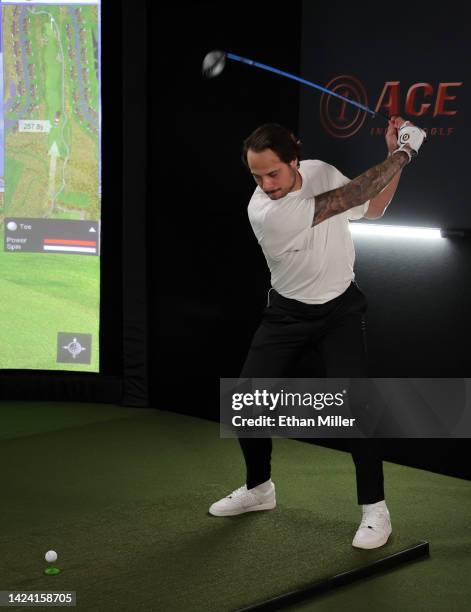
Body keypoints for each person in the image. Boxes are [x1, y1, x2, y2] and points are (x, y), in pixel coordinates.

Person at [209, 118, 425, 549]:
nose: (266, 184)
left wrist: (393, 159)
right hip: (288, 313)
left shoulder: (321, 170)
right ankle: (259, 489)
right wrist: (404, 153)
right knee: (245, 402)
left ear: (295, 159)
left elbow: (373, 206)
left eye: (273, 173)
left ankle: (375, 509)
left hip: (340, 310)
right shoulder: (266, 212)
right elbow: (354, 193)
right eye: (257, 176)